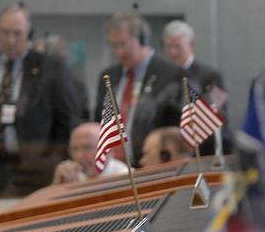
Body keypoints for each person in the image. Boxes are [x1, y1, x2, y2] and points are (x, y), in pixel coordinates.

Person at [0, 5, 80, 196]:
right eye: (5, 33)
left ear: (28, 33)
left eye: (17, 33)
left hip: (36, 167)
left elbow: (68, 120)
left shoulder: (50, 68)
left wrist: (57, 158)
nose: (11, 40)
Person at [94, 10, 183, 166]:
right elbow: (99, 121)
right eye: (113, 46)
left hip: (153, 165)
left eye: (123, 44)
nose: (118, 52)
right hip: (114, 168)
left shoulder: (171, 74)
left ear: (143, 39)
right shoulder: (109, 76)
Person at [162, 19, 229, 156]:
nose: (172, 53)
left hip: (205, 152)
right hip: (171, 154)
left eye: (177, 47)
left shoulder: (212, 76)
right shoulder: (163, 77)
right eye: (168, 47)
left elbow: (217, 114)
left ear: (191, 46)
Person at [52, 121, 129, 184]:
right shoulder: (71, 174)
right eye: (74, 149)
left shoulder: (125, 177)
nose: (79, 155)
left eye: (87, 148)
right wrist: (57, 186)